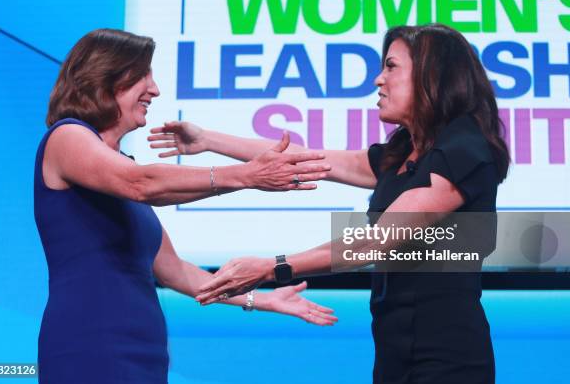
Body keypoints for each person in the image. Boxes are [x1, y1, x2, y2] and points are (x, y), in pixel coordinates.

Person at [148, 23, 510, 384]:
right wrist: (207, 139)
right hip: (395, 351)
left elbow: (377, 240)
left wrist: (272, 268)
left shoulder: (465, 148)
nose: (378, 80)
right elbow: (309, 158)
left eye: (391, 66)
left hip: (448, 359)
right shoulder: (402, 151)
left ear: (434, 76)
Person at [33, 28, 337, 384]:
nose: (155, 89)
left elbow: (174, 270)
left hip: (144, 349)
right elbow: (142, 183)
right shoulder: (67, 137)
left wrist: (261, 300)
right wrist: (247, 175)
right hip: (89, 344)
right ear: (104, 78)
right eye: (142, 76)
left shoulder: (124, 168)